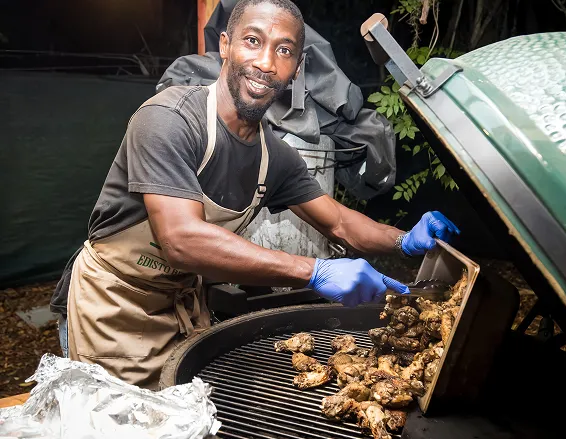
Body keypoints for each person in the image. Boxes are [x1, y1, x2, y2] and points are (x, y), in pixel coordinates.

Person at [50, 0, 460, 390]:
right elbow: (180, 239)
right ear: (224, 45)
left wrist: (404, 240)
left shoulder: (274, 158)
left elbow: (338, 222)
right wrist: (314, 271)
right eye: (252, 41)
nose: (265, 63)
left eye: (284, 50)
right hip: (115, 307)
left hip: (183, 308)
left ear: (297, 69)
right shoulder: (169, 119)